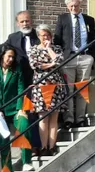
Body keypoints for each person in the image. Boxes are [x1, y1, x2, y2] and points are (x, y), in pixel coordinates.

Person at [0, 10, 42, 158]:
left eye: (27, 20)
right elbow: (1, 49)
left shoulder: (39, 35)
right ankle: (29, 148)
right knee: (25, 115)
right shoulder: (13, 37)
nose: (25, 24)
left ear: (31, 21)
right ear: (18, 23)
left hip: (38, 81)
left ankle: (36, 146)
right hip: (20, 81)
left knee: (35, 113)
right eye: (22, 21)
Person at [54, 0, 95, 125]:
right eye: (71, 6)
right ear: (67, 6)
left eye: (76, 6)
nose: (74, 8)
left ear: (80, 5)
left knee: (82, 89)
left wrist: (92, 57)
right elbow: (57, 39)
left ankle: (80, 118)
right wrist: (61, 57)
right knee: (69, 90)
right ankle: (68, 119)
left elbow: (94, 39)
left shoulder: (89, 20)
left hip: (85, 57)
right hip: (69, 58)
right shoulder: (62, 19)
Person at [0, 45, 32, 172]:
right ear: (2, 56)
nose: (11, 59)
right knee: (3, 139)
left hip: (15, 108)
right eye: (9, 56)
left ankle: (27, 162)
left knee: (24, 126)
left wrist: (20, 108)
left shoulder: (17, 70)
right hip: (1, 110)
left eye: (13, 57)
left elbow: (20, 88)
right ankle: (7, 170)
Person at [28, 24, 67, 156]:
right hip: (41, 86)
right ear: (38, 36)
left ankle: (51, 146)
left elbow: (60, 61)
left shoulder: (57, 48)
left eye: (48, 35)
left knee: (54, 117)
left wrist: (49, 49)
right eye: (43, 35)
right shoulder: (33, 49)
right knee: (43, 117)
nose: (45, 38)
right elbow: (35, 65)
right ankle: (44, 147)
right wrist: (52, 64)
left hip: (56, 85)